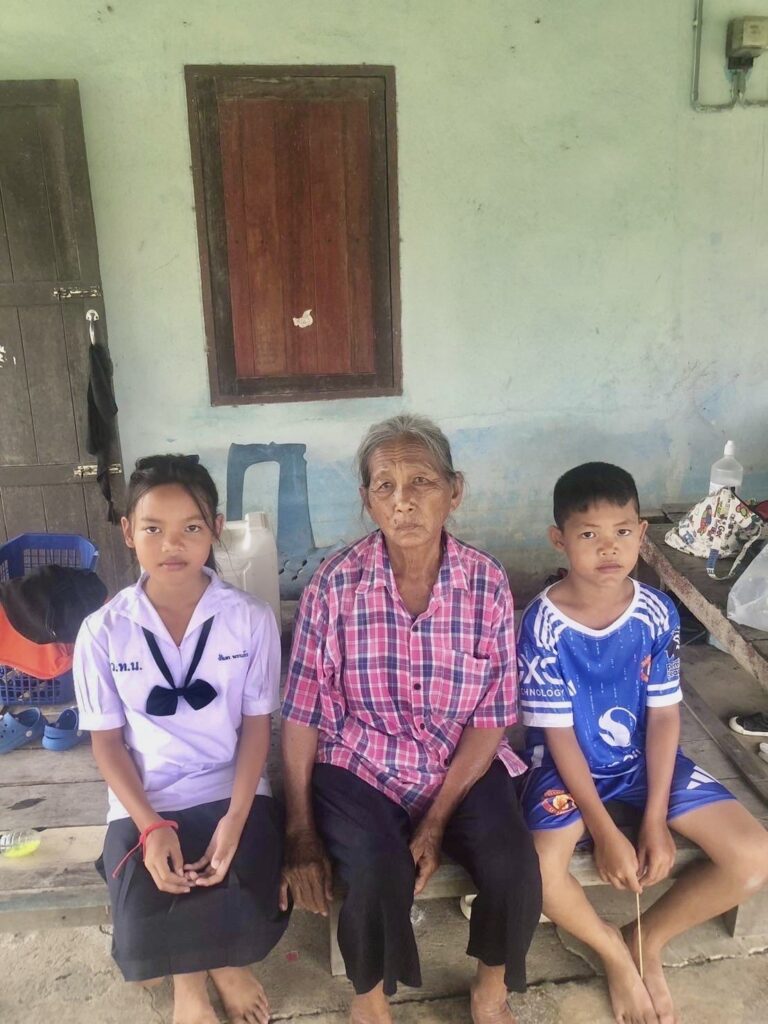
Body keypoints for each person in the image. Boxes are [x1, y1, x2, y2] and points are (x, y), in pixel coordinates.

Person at [280, 414, 542, 1024]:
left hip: (459, 760)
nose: (404, 501)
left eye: (421, 481)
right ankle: (369, 1000)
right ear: (368, 501)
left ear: (455, 491)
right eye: (386, 486)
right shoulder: (335, 585)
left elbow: (491, 717)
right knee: (375, 870)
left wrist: (437, 819)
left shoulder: (486, 582)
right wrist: (299, 829)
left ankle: (491, 989)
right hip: (360, 761)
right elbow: (301, 714)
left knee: (513, 863)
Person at [518, 462, 768, 1024]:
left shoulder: (656, 611)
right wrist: (606, 832)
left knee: (754, 857)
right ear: (559, 539)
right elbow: (558, 734)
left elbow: (663, 718)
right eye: (589, 534)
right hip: (564, 764)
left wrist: (654, 819)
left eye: (623, 531)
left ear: (642, 534)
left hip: (641, 762)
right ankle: (610, 949)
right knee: (537, 872)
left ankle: (644, 939)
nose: (609, 548)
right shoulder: (542, 623)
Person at [73, 455, 289, 1024]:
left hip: (230, 785)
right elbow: (107, 745)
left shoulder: (250, 619)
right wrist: (150, 827)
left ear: (215, 528)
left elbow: (256, 728)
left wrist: (237, 818)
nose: (172, 545)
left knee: (243, 877)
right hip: (146, 794)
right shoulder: (102, 631)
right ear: (128, 532)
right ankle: (192, 987)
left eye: (191, 527)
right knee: (148, 907)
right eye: (153, 528)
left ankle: (224, 965)